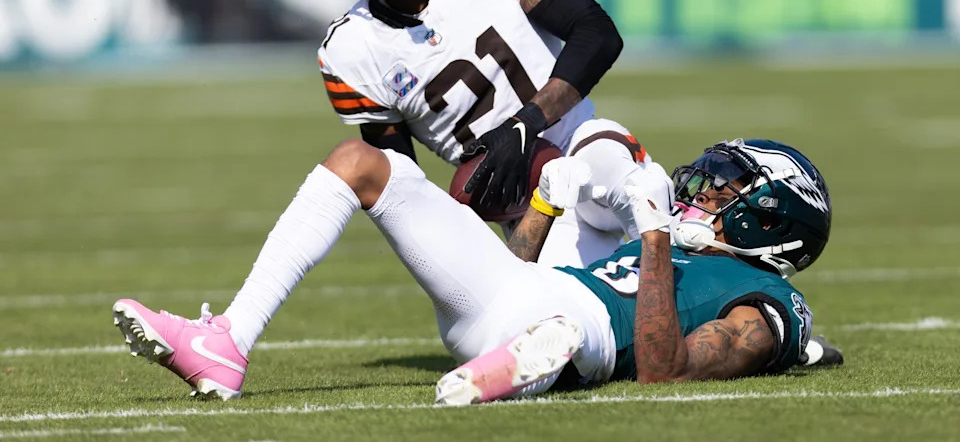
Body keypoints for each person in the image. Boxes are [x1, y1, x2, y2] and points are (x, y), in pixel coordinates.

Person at [112, 137, 831, 402]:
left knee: (565, 327)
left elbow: (666, 371)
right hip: (517, 296)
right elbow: (514, 265)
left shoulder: (763, 300)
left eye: (725, 189)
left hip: (575, 325)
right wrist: (547, 206)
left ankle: (523, 363)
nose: (702, 193)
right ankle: (227, 341)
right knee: (364, 165)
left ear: (771, 222)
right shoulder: (681, 251)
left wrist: (649, 233)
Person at [310, 0, 658, 270]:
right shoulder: (349, 49)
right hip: (521, 204)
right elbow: (402, 189)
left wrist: (524, 125)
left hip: (581, 140)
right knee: (583, 321)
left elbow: (596, 34)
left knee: (639, 196)